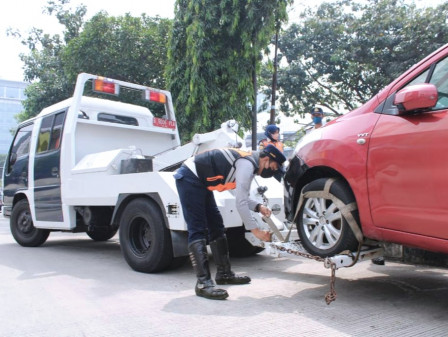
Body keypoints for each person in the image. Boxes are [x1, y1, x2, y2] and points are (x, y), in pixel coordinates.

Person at [174, 145, 286, 300]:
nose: (272, 172)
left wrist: (259, 207)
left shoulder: (250, 165)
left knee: (217, 226)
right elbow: (240, 203)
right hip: (189, 177)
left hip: (201, 181)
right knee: (197, 228)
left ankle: (224, 274)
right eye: (273, 168)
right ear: (266, 159)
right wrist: (256, 232)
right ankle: (203, 283)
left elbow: (243, 197)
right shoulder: (247, 165)